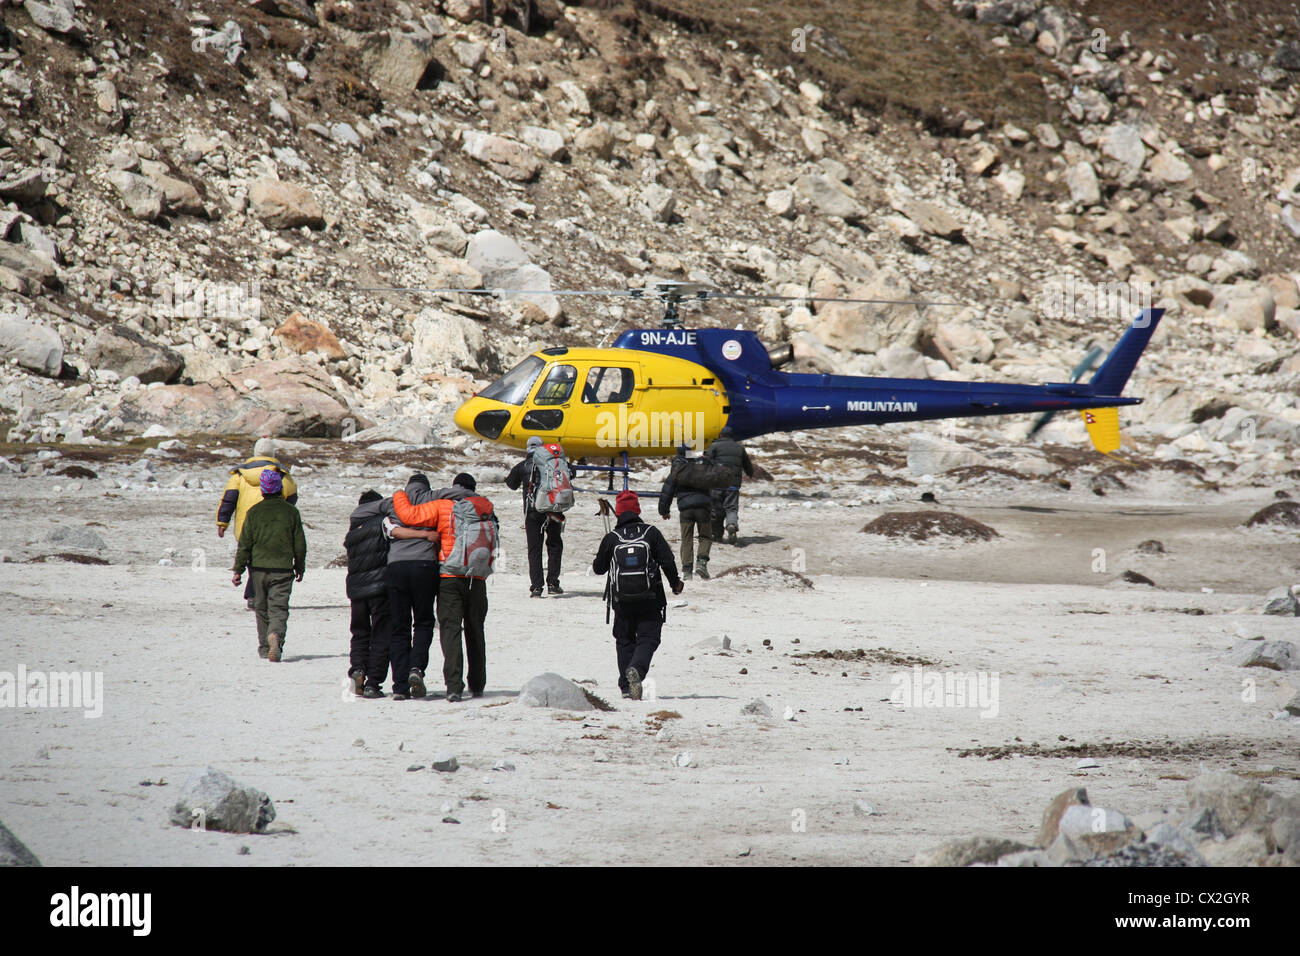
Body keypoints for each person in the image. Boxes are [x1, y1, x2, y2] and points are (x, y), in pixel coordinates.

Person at [392, 473, 495, 703]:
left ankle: (454, 687)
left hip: (449, 576)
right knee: (475, 631)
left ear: (453, 487)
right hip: (476, 578)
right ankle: (477, 684)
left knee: (451, 631)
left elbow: (408, 514)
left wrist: (400, 494)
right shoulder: (486, 507)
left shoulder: (443, 505)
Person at [592, 490, 683, 700]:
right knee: (649, 637)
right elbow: (667, 561)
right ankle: (637, 671)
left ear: (619, 512)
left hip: (621, 601)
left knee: (624, 639)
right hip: (650, 598)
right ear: (638, 510)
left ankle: (626, 687)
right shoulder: (651, 532)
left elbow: (598, 568)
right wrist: (675, 584)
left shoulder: (612, 537)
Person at [231, 469, 306, 662]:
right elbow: (299, 543)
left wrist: (238, 570)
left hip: (258, 569)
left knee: (261, 608)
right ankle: (276, 636)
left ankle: (265, 647)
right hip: (282, 569)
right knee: (279, 609)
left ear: (263, 490)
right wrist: (300, 566)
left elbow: (245, 544)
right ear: (280, 489)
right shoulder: (291, 512)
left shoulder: (254, 512)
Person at [382, 474, 443, 701]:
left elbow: (391, 531)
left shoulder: (394, 506)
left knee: (399, 627)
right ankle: (416, 669)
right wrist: (426, 534)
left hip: (396, 568)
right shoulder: (433, 507)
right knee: (424, 622)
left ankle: (399, 686)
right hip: (425, 567)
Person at [215, 450, 298, 608]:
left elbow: (229, 500)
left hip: (245, 526)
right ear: (272, 453)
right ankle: (258, 594)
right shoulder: (281, 475)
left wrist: (222, 522)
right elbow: (291, 498)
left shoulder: (239, 476)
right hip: (273, 527)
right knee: (265, 561)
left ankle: (253, 595)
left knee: (252, 561)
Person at [344, 490, 393, 699]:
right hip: (380, 587)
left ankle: (357, 670)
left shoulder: (352, 532)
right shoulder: (383, 524)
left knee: (360, 633)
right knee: (382, 634)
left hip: (356, 589)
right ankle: (373, 682)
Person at [505, 435, 568, 598]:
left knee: (535, 549)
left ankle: (537, 587)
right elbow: (571, 474)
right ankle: (553, 583)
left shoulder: (522, 466)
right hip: (554, 509)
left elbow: (511, 484)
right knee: (554, 545)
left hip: (533, 513)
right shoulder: (555, 462)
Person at [658, 446, 714, 580]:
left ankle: (687, 571)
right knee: (705, 536)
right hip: (703, 507)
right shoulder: (702, 465)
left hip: (685, 509)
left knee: (687, 538)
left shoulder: (677, 469)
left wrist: (664, 511)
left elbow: (668, 490)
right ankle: (701, 563)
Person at [705, 426, 755, 545]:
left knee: (716, 510)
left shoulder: (714, 446)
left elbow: (706, 462)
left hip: (717, 484)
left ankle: (716, 535)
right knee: (731, 508)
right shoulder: (739, 448)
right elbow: (747, 465)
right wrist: (750, 473)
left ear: (721, 435)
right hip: (733, 485)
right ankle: (731, 524)